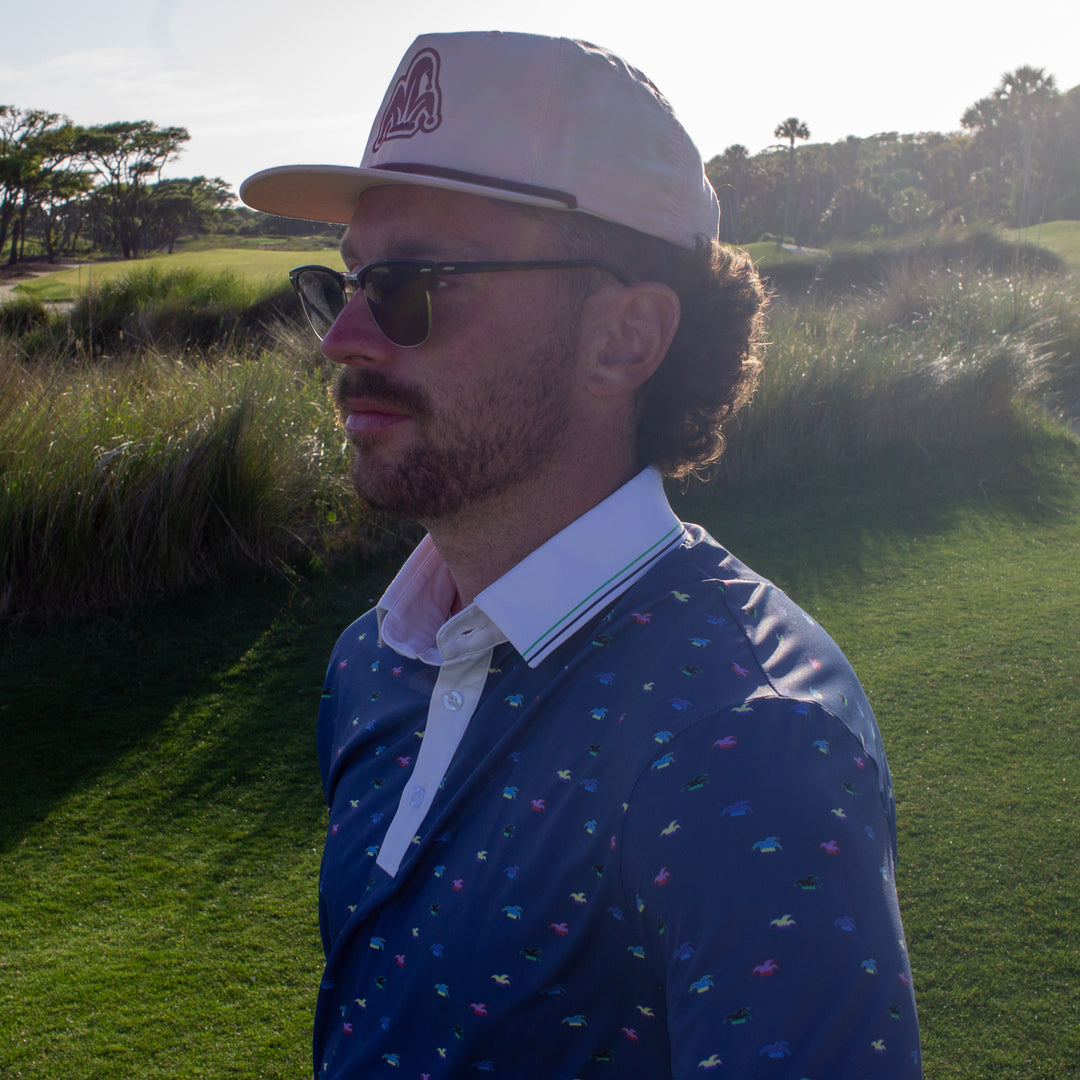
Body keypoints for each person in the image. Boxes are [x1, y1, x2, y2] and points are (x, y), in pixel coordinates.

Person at [241, 30, 921, 1079]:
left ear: (625, 339)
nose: (343, 340)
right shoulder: (373, 661)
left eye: (414, 283)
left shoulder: (748, 744)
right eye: (349, 283)